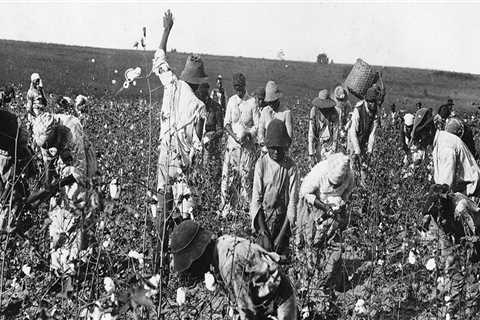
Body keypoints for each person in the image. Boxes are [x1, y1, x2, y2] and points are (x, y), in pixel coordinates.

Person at [171, 220, 297, 320]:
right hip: (264, 299)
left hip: (279, 301)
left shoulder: (229, 264)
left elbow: (247, 311)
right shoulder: (221, 244)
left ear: (200, 255)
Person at [31, 112, 98, 276]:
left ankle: (76, 261)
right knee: (56, 210)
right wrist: (47, 188)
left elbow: (79, 172)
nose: (46, 148)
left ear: (55, 134)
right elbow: (48, 162)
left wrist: (56, 186)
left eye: (48, 144)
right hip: (63, 163)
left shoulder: (71, 128)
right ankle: (58, 263)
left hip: (81, 164)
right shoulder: (42, 134)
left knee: (76, 205)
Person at [294, 153, 354, 307]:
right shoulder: (319, 172)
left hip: (334, 210)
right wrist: (324, 208)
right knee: (310, 243)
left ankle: (329, 280)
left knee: (333, 246)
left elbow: (347, 193)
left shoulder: (349, 176)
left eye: (337, 185)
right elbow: (305, 193)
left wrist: (340, 204)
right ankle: (308, 279)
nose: (334, 187)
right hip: (314, 206)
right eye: (332, 184)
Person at [250, 119, 298, 256]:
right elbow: (256, 199)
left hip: (282, 220)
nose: (276, 151)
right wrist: (264, 231)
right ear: (268, 146)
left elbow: (292, 204)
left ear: (285, 147)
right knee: (262, 255)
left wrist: (280, 237)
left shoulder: (291, 167)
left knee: (281, 256)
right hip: (263, 219)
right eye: (273, 147)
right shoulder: (262, 164)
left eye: (280, 148)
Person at [411, 108, 480, 197]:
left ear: (429, 130)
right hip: (462, 192)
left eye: (420, 135)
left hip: (471, 195)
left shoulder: (445, 146)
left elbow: (444, 187)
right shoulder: (439, 143)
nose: (419, 141)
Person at [220, 72, 259, 217]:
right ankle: (227, 210)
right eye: (236, 87)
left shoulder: (252, 103)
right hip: (232, 147)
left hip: (247, 147)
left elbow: (257, 125)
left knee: (245, 178)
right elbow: (227, 123)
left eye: (240, 87)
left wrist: (248, 134)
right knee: (229, 177)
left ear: (245, 85)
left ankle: (245, 211)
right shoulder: (231, 101)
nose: (238, 90)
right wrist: (234, 136)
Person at [347, 86, 380, 181]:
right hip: (353, 138)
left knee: (364, 164)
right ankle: (352, 184)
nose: (373, 104)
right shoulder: (358, 109)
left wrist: (370, 150)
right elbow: (353, 132)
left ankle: (363, 184)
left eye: (374, 102)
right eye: (371, 102)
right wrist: (357, 150)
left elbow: (372, 133)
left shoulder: (376, 111)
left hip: (364, 138)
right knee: (353, 161)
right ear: (367, 101)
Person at [257, 81, 293, 152]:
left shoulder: (286, 112)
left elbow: (289, 136)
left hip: (280, 151)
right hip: (266, 149)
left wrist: (283, 148)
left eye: (273, 102)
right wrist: (262, 143)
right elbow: (260, 130)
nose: (271, 105)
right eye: (269, 103)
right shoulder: (265, 111)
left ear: (277, 99)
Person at [308, 89, 340, 166]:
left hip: (329, 145)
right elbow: (311, 133)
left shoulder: (334, 113)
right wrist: (311, 154)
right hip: (318, 144)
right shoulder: (314, 111)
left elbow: (336, 134)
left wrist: (333, 150)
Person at [197, 82, 223, 162]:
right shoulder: (196, 106)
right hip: (196, 143)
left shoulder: (216, 108)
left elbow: (220, 130)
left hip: (210, 144)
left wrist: (211, 137)